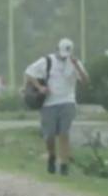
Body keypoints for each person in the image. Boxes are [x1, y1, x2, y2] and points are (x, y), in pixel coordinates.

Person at [24, 38, 88, 176]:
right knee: (50, 135)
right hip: (49, 104)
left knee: (64, 134)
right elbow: (29, 73)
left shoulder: (74, 62)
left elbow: (85, 81)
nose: (64, 58)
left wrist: (76, 66)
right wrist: (40, 87)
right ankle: (52, 156)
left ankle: (64, 165)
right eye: (62, 54)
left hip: (67, 102)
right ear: (57, 49)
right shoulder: (47, 60)